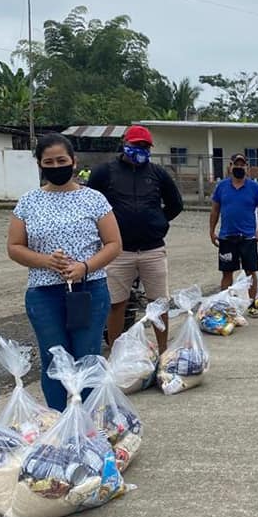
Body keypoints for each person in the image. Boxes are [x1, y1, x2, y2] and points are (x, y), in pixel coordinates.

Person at [7, 133, 122, 411]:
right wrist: (45, 261)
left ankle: (89, 422)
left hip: (89, 291)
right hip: (44, 294)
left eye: (61, 160)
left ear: (74, 161)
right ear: (39, 164)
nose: (56, 166)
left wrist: (85, 267)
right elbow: (14, 247)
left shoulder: (94, 199)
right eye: (49, 162)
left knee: (87, 359)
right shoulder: (28, 202)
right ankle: (60, 421)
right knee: (54, 360)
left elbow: (114, 244)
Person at [88, 124, 183, 353]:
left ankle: (163, 352)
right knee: (116, 304)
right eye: (136, 145)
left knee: (159, 304)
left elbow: (176, 204)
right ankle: (116, 352)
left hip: (152, 250)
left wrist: (157, 221)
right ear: (125, 144)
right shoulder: (104, 172)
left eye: (145, 146)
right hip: (118, 251)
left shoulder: (157, 173)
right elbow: (90, 205)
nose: (141, 150)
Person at [209, 152, 258, 316]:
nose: (239, 167)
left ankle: (252, 304)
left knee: (251, 272)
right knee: (227, 273)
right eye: (237, 164)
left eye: (243, 165)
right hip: (227, 237)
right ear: (230, 166)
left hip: (248, 238)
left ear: (247, 167)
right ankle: (225, 305)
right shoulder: (221, 186)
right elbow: (215, 210)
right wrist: (212, 231)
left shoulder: (254, 187)